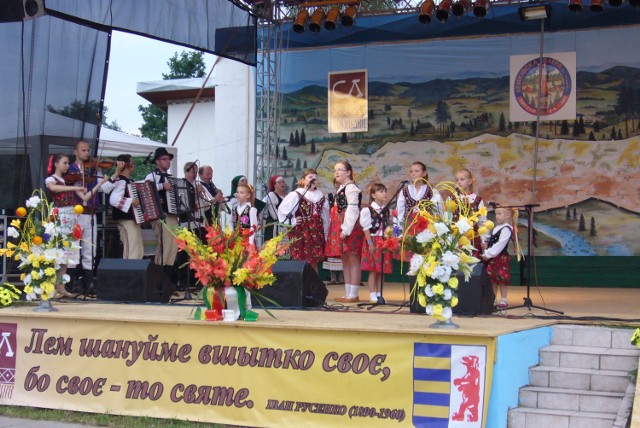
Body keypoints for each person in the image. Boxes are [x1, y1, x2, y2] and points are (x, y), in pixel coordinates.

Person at [67, 140, 122, 293]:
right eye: (83, 150)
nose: (87, 153)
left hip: (90, 214)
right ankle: (69, 285)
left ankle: (88, 285)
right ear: (75, 152)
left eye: (88, 150)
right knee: (73, 249)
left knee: (90, 250)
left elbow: (105, 188)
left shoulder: (94, 171)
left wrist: (116, 173)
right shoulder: (70, 171)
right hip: (74, 214)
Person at [44, 154, 93, 298]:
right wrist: (72, 188)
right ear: (56, 164)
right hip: (58, 216)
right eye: (65, 163)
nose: (67, 166)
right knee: (57, 252)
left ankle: (61, 287)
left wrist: (98, 184)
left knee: (65, 255)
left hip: (69, 217)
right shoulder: (51, 179)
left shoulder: (66, 182)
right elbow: (53, 188)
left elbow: (84, 198)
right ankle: (52, 287)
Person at [325, 161, 364, 303]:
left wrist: (346, 229)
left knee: (353, 260)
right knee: (345, 261)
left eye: (340, 170)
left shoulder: (351, 188)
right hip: (340, 226)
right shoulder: (341, 188)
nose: (336, 172)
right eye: (335, 170)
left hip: (350, 228)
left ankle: (354, 293)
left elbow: (353, 209)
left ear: (348, 172)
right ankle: (348, 293)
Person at [277, 169, 329, 272]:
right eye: (310, 177)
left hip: (316, 230)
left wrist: (326, 233)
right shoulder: (297, 194)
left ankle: (314, 286)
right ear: (303, 180)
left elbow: (325, 217)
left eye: (315, 178)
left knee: (313, 260)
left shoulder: (320, 196)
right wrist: (292, 221)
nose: (313, 180)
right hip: (301, 230)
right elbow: (283, 210)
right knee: (301, 260)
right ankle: (301, 285)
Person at [145, 147, 178, 279]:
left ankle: (167, 280)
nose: (168, 162)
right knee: (164, 246)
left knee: (173, 246)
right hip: (160, 215)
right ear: (157, 161)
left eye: (168, 159)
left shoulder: (169, 178)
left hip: (172, 215)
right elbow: (146, 190)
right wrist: (162, 187)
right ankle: (158, 280)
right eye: (164, 159)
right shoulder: (152, 176)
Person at [360, 183, 392, 304]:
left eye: (385, 191)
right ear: (373, 195)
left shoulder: (386, 209)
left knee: (381, 270)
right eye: (380, 191)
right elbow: (366, 228)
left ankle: (380, 294)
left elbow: (388, 226)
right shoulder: (367, 210)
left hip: (383, 241)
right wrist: (370, 243)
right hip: (373, 240)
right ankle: (372, 294)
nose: (384, 193)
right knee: (373, 269)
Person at [108, 154, 143, 259]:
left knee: (138, 250)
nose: (134, 165)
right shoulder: (121, 181)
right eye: (132, 162)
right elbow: (113, 200)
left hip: (132, 221)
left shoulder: (129, 181)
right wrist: (131, 201)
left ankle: (136, 273)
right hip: (125, 220)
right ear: (127, 165)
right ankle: (129, 273)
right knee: (131, 250)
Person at [482, 207, 516, 310]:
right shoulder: (496, 228)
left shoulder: (506, 229)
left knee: (502, 279)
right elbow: (493, 243)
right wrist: (486, 246)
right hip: (493, 257)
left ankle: (503, 299)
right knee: (492, 279)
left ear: (507, 215)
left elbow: (500, 245)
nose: (496, 216)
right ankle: (493, 298)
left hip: (500, 257)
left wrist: (488, 254)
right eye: (496, 214)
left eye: (499, 214)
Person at [397, 161, 443, 236]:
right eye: (411, 171)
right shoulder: (405, 191)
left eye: (416, 171)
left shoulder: (432, 191)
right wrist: (400, 230)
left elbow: (438, 212)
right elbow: (400, 212)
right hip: (409, 229)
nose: (413, 173)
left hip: (427, 229)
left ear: (424, 173)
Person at [454, 168, 487, 257]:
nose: (459, 182)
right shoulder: (454, 198)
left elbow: (482, 221)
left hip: (473, 236)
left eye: (462, 179)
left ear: (469, 181)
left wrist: (484, 240)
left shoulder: (477, 199)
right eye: (457, 180)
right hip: (457, 235)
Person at [182, 161, 214, 238]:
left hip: (200, 224)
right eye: (193, 172)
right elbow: (183, 205)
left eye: (196, 172)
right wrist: (195, 194)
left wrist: (202, 196)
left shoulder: (199, 185)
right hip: (186, 226)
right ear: (185, 172)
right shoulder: (180, 185)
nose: (195, 175)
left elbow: (208, 206)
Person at [323, 179, 344, 285]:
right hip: (332, 227)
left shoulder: (346, 197)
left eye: (340, 183)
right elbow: (326, 213)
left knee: (341, 250)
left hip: (342, 226)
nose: (338, 185)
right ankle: (333, 277)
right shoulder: (330, 197)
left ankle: (341, 277)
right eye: (336, 183)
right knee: (332, 251)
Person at [263, 175, 287, 242]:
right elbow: (274, 215)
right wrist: (284, 220)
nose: (282, 183)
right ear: (274, 185)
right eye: (279, 182)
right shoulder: (271, 195)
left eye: (283, 182)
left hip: (284, 224)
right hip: (274, 225)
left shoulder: (287, 196)